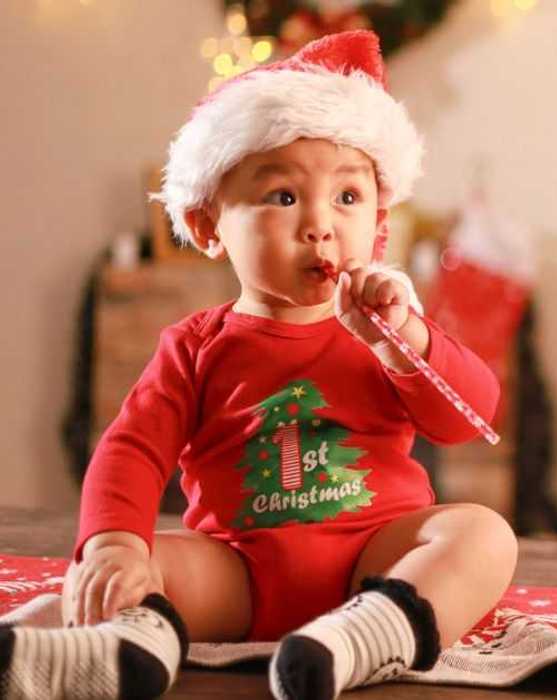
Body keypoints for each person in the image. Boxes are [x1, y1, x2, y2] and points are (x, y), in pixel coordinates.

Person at [0, 30, 516, 700]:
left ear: (379, 220)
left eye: (348, 198)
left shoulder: (387, 329)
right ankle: (128, 651)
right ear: (210, 224)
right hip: (237, 574)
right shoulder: (195, 346)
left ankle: (370, 637)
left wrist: (407, 342)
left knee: (481, 535)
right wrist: (113, 546)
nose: (320, 224)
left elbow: (469, 415)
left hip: (374, 562)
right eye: (282, 197)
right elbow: (130, 450)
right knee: (142, 565)